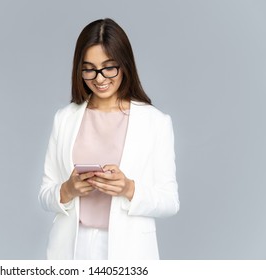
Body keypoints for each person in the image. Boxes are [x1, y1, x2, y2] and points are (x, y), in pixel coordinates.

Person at [39, 18, 179, 260]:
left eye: (109, 67)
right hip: (71, 248)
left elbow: (170, 201)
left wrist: (129, 189)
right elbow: (45, 193)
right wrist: (67, 190)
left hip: (129, 250)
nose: (100, 78)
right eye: (89, 68)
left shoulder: (155, 122)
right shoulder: (65, 118)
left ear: (125, 65)